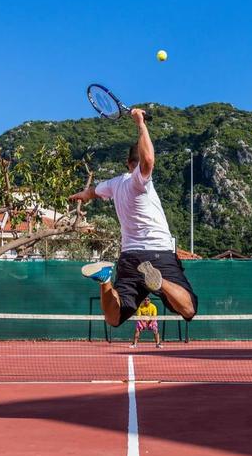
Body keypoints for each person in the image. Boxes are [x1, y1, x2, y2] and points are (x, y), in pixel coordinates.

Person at [70, 108, 198, 328]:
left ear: (127, 162)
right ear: (136, 165)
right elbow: (148, 160)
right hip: (158, 252)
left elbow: (92, 192)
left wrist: (80, 196)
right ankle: (160, 281)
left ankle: (105, 280)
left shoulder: (113, 184)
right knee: (188, 309)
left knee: (114, 318)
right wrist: (140, 123)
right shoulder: (139, 182)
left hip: (129, 257)